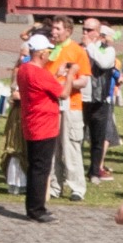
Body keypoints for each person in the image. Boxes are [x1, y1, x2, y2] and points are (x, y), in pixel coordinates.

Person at [16, 33, 66, 223]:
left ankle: (34, 207)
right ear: (42, 53)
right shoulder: (39, 72)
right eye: (47, 52)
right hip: (43, 125)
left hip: (32, 123)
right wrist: (69, 75)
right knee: (40, 168)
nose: (49, 56)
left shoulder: (24, 69)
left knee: (36, 167)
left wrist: (56, 75)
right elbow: (63, 92)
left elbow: (43, 86)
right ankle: (37, 209)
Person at [47, 15, 90, 202]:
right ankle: (55, 185)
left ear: (68, 31)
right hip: (50, 105)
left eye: (58, 29)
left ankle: (76, 187)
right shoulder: (48, 50)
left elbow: (84, 80)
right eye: (53, 28)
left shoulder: (77, 51)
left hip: (71, 105)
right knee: (52, 147)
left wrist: (68, 82)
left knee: (71, 146)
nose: (54, 32)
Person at [82, 18, 118, 183]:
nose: (85, 33)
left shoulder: (107, 49)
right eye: (84, 29)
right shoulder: (78, 48)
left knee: (98, 137)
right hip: (80, 97)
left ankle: (95, 171)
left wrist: (89, 46)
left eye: (89, 30)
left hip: (99, 98)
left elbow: (104, 64)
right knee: (77, 136)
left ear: (98, 32)